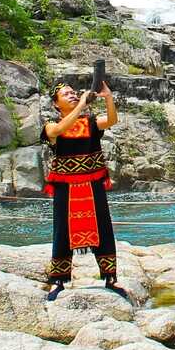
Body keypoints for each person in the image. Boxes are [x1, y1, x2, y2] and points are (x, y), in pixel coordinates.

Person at [43, 81, 125, 301]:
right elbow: (59, 131)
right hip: (65, 186)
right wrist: (81, 104)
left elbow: (111, 120)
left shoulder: (89, 122)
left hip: (92, 182)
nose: (71, 95)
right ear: (55, 103)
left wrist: (108, 97)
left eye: (73, 92)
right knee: (62, 230)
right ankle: (58, 280)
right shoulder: (50, 125)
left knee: (103, 227)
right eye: (65, 94)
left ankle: (111, 277)